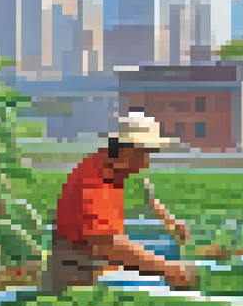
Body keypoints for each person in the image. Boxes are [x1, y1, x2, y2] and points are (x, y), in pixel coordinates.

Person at [42, 111, 198, 296]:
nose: (146, 162)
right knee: (154, 285)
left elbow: (147, 198)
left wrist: (170, 221)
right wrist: (168, 269)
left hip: (99, 261)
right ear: (126, 150)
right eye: (144, 153)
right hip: (80, 272)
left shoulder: (116, 167)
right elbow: (108, 244)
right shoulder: (93, 182)